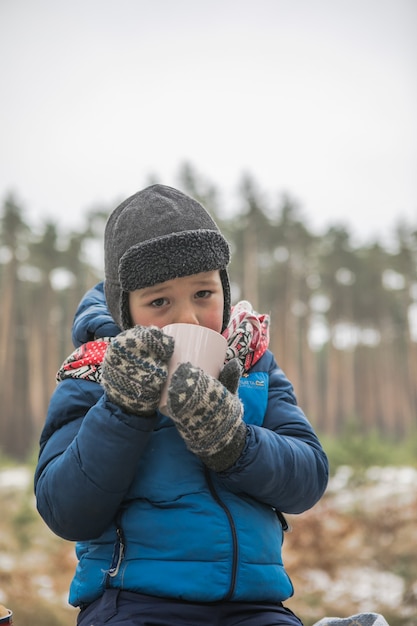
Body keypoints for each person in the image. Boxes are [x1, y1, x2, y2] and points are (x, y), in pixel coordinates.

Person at [34, 184, 329, 625]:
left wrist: (235, 442)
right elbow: (65, 510)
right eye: (159, 301)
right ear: (125, 311)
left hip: (255, 607)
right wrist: (122, 410)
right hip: (132, 603)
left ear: (224, 293)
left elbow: (308, 478)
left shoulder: (253, 363)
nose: (188, 319)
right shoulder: (92, 375)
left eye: (203, 294)